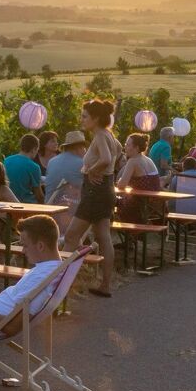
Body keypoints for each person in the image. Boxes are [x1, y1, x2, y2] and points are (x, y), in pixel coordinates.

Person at [63, 99, 119, 297]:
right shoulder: (108, 135)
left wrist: (92, 171)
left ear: (95, 118)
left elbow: (104, 158)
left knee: (71, 236)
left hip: (95, 192)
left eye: (85, 116)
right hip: (105, 189)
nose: (82, 119)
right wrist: (104, 172)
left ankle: (63, 287)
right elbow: (116, 154)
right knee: (103, 236)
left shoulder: (100, 136)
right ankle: (104, 284)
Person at [116, 132, 161, 224]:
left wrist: (119, 181)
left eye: (128, 145)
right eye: (125, 144)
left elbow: (121, 185)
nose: (125, 147)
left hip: (138, 205)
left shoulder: (133, 161)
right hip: (153, 206)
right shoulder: (148, 159)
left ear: (136, 148)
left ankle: (103, 230)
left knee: (109, 200)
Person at [44, 130, 86, 204]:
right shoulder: (82, 163)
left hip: (49, 206)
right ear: (78, 147)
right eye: (84, 147)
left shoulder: (51, 161)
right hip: (69, 209)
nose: (85, 151)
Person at [3, 134, 44, 204]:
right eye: (37, 150)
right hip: (26, 204)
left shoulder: (6, 161)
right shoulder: (34, 167)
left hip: (7, 202)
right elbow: (39, 195)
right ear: (34, 149)